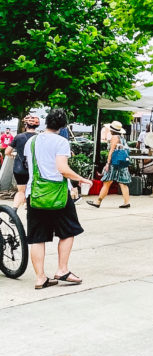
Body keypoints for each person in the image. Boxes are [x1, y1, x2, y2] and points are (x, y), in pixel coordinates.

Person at [24, 108, 92, 289]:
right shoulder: (61, 142)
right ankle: (62, 270)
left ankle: (40, 278)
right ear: (63, 126)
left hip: (35, 194)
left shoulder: (31, 141)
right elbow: (62, 168)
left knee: (37, 237)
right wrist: (82, 179)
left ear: (47, 122)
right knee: (68, 231)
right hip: (59, 195)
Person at [87, 121, 131, 208]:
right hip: (122, 163)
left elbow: (111, 151)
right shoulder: (122, 138)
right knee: (123, 183)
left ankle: (98, 202)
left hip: (114, 163)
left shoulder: (114, 137)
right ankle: (126, 202)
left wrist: (108, 163)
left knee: (107, 183)